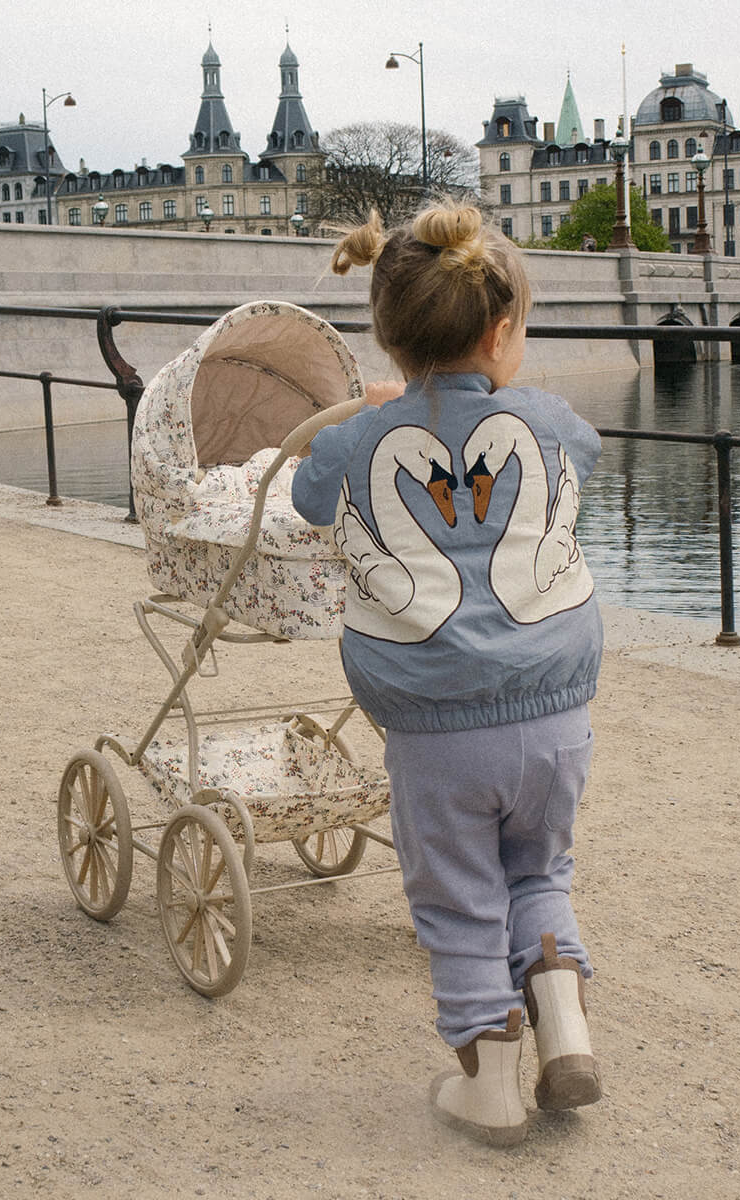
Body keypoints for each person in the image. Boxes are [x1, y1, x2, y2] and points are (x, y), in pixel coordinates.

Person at [291, 202, 604, 1147]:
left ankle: (490, 1086)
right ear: (503, 329)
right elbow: (581, 448)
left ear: (387, 334)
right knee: (538, 869)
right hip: (556, 715)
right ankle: (566, 1022)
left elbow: (309, 496)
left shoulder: (357, 442)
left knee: (458, 893)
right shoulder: (550, 422)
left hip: (435, 727)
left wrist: (385, 411)